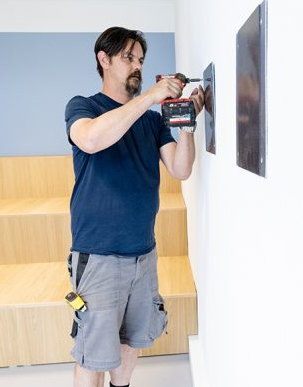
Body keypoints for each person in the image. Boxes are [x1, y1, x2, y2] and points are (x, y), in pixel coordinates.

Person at [64, 26, 202, 387]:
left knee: (131, 345)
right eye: (128, 57)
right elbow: (91, 139)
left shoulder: (153, 121)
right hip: (98, 257)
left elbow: (181, 169)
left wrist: (186, 122)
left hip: (144, 255)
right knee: (93, 352)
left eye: (140, 59)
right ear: (104, 60)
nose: (137, 66)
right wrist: (149, 98)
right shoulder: (83, 107)